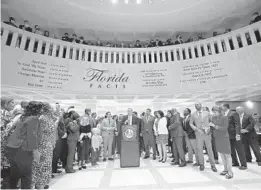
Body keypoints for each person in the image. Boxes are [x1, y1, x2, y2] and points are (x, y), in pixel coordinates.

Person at [6, 101, 42, 189]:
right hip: (22, 149)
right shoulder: (34, 119)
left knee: (14, 175)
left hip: (11, 147)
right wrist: (36, 151)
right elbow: (32, 136)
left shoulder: (23, 117)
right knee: (26, 176)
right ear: (38, 109)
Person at [31, 102, 57, 189]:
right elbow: (40, 133)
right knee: (41, 166)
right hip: (43, 145)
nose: (53, 110)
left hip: (48, 145)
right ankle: (39, 185)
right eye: (52, 108)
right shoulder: (43, 118)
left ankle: (42, 184)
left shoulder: (48, 118)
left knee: (46, 165)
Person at [190, 103, 217, 172]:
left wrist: (209, 128)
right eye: (196, 105)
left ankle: (213, 165)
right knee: (200, 149)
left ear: (201, 106)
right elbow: (191, 123)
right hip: (198, 134)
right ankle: (201, 164)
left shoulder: (207, 113)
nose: (197, 106)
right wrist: (196, 129)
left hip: (207, 133)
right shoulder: (193, 114)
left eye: (198, 105)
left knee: (209, 149)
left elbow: (212, 121)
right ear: (195, 107)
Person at [222, 104, 247, 170]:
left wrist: (237, 134)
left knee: (240, 150)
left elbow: (237, 124)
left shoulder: (233, 113)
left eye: (222, 107)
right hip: (228, 135)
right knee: (231, 150)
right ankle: (235, 162)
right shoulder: (224, 114)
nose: (221, 108)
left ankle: (244, 165)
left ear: (225, 107)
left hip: (235, 135)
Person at [211, 106, 233, 179]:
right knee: (222, 155)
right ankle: (225, 169)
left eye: (215, 112)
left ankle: (230, 172)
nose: (214, 113)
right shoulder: (213, 118)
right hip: (217, 138)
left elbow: (224, 128)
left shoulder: (224, 117)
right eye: (213, 112)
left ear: (219, 111)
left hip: (224, 138)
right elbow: (212, 127)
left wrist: (214, 126)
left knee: (227, 155)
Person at [1, 97, 15, 189]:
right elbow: (4, 131)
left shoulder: (7, 113)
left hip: (5, 142)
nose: (14, 104)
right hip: (5, 143)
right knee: (6, 164)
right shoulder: (4, 114)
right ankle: (6, 185)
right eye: (12, 102)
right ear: (6, 104)